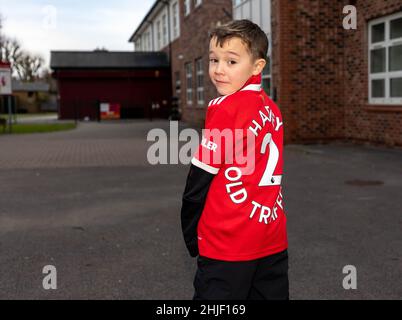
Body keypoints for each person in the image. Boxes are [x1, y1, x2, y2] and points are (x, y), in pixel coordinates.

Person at [180, 19, 288, 300]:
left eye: (231, 61)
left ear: (257, 67)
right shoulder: (273, 108)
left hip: (227, 240)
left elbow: (199, 178)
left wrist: (191, 232)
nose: (218, 70)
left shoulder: (225, 106)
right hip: (271, 234)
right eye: (214, 59)